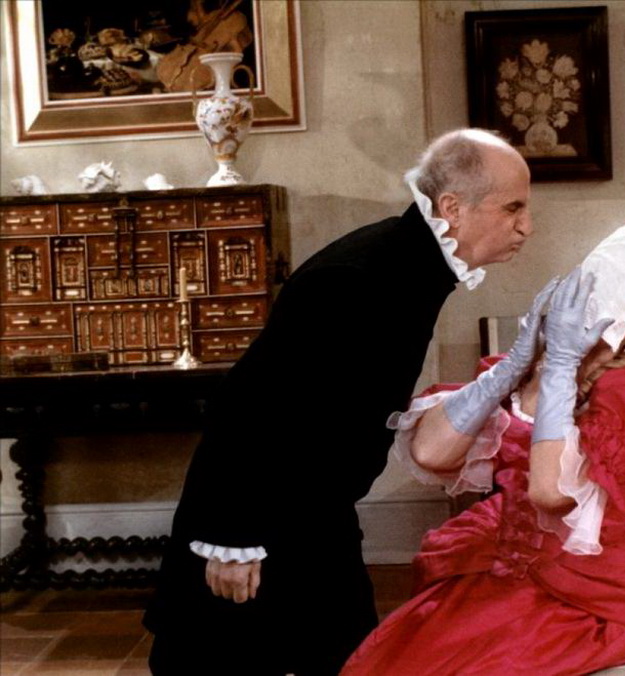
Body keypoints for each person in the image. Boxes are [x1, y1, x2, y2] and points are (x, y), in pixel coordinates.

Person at [143, 128, 534, 675]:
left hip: (313, 513)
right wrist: (231, 536)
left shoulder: (411, 266)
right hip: (259, 519)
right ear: (452, 209)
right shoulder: (360, 276)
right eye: (513, 207)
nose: (526, 225)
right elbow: (250, 405)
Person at [340, 196, 625, 676]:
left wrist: (561, 368)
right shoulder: (543, 362)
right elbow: (429, 452)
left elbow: (551, 493)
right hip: (500, 561)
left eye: (609, 284)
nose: (586, 292)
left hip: (580, 584)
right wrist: (510, 369)